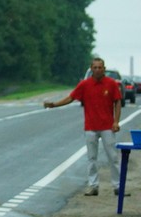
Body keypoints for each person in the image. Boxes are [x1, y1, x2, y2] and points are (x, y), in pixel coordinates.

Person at [44, 57, 123, 197]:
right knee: (92, 157)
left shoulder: (111, 84)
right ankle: (93, 186)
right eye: (95, 67)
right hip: (91, 127)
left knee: (113, 156)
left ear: (104, 69)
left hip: (107, 127)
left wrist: (116, 121)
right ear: (91, 69)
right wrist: (54, 104)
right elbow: (71, 97)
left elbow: (117, 102)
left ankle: (118, 186)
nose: (98, 70)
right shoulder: (85, 85)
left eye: (100, 67)